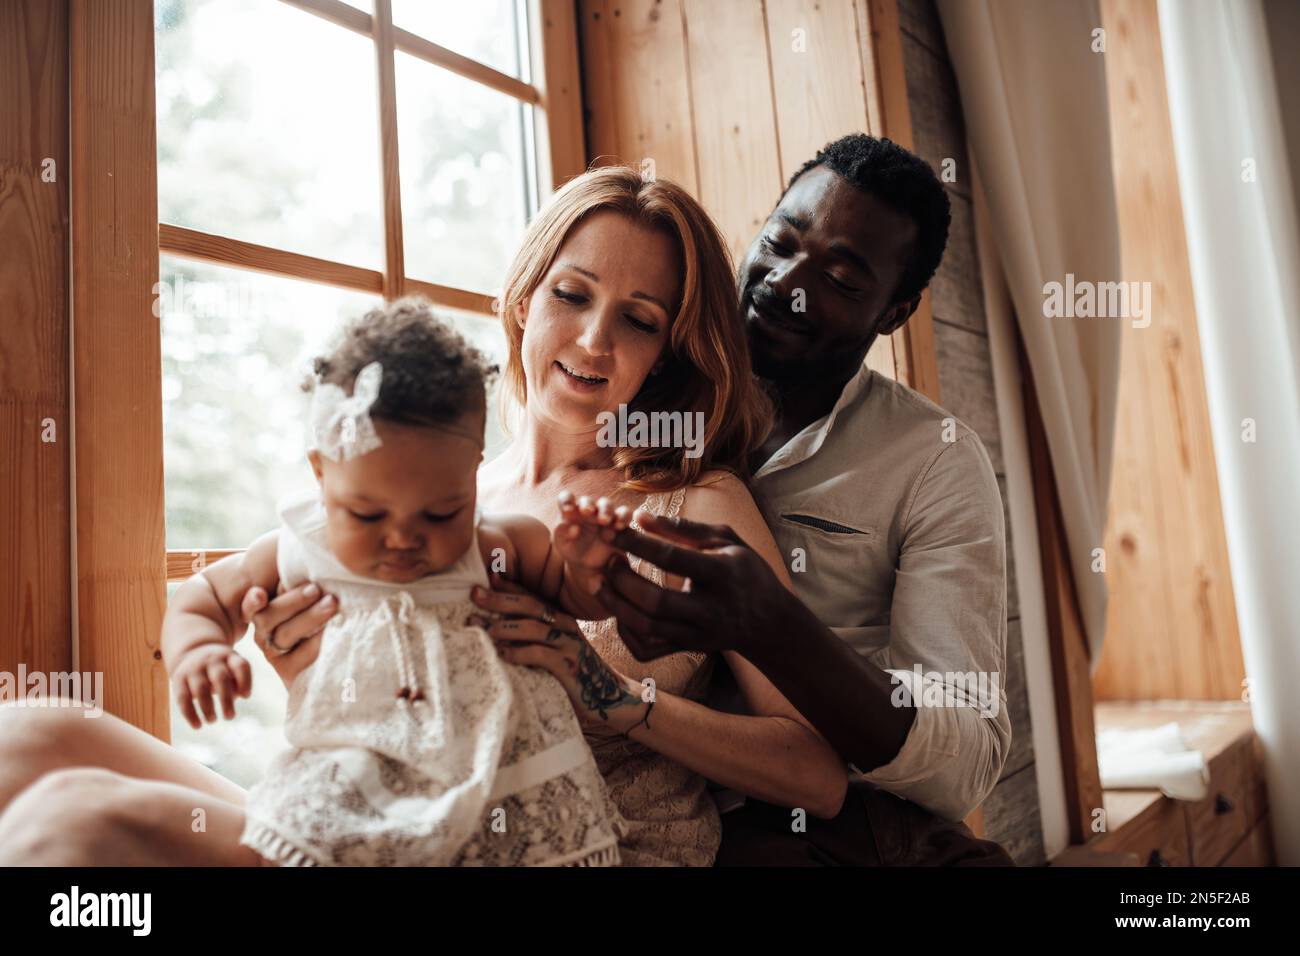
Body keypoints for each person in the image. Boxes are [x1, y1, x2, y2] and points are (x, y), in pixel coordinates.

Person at [0, 166, 849, 867]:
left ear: (669, 352)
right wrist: (310, 671)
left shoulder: (694, 505)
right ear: (524, 301)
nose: (593, 340)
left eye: (637, 320)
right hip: (388, 813)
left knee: (77, 827)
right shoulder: (442, 486)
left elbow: (817, 776)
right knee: (29, 734)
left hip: (573, 844)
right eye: (571, 293)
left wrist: (607, 693)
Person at [586, 134, 1016, 865]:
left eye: (844, 280)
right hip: (661, 810)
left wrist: (777, 629)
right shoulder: (635, 398)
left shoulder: (932, 462)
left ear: (894, 312)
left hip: (851, 826)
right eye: (780, 242)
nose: (788, 283)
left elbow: (966, 757)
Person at [163, 299, 636, 867]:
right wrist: (199, 649)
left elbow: (579, 600)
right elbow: (206, 595)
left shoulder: (498, 545)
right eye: (366, 515)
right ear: (322, 473)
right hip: (357, 777)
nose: (402, 540)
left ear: (472, 473)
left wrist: (591, 566)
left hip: (506, 782)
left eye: (440, 514)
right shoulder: (299, 547)